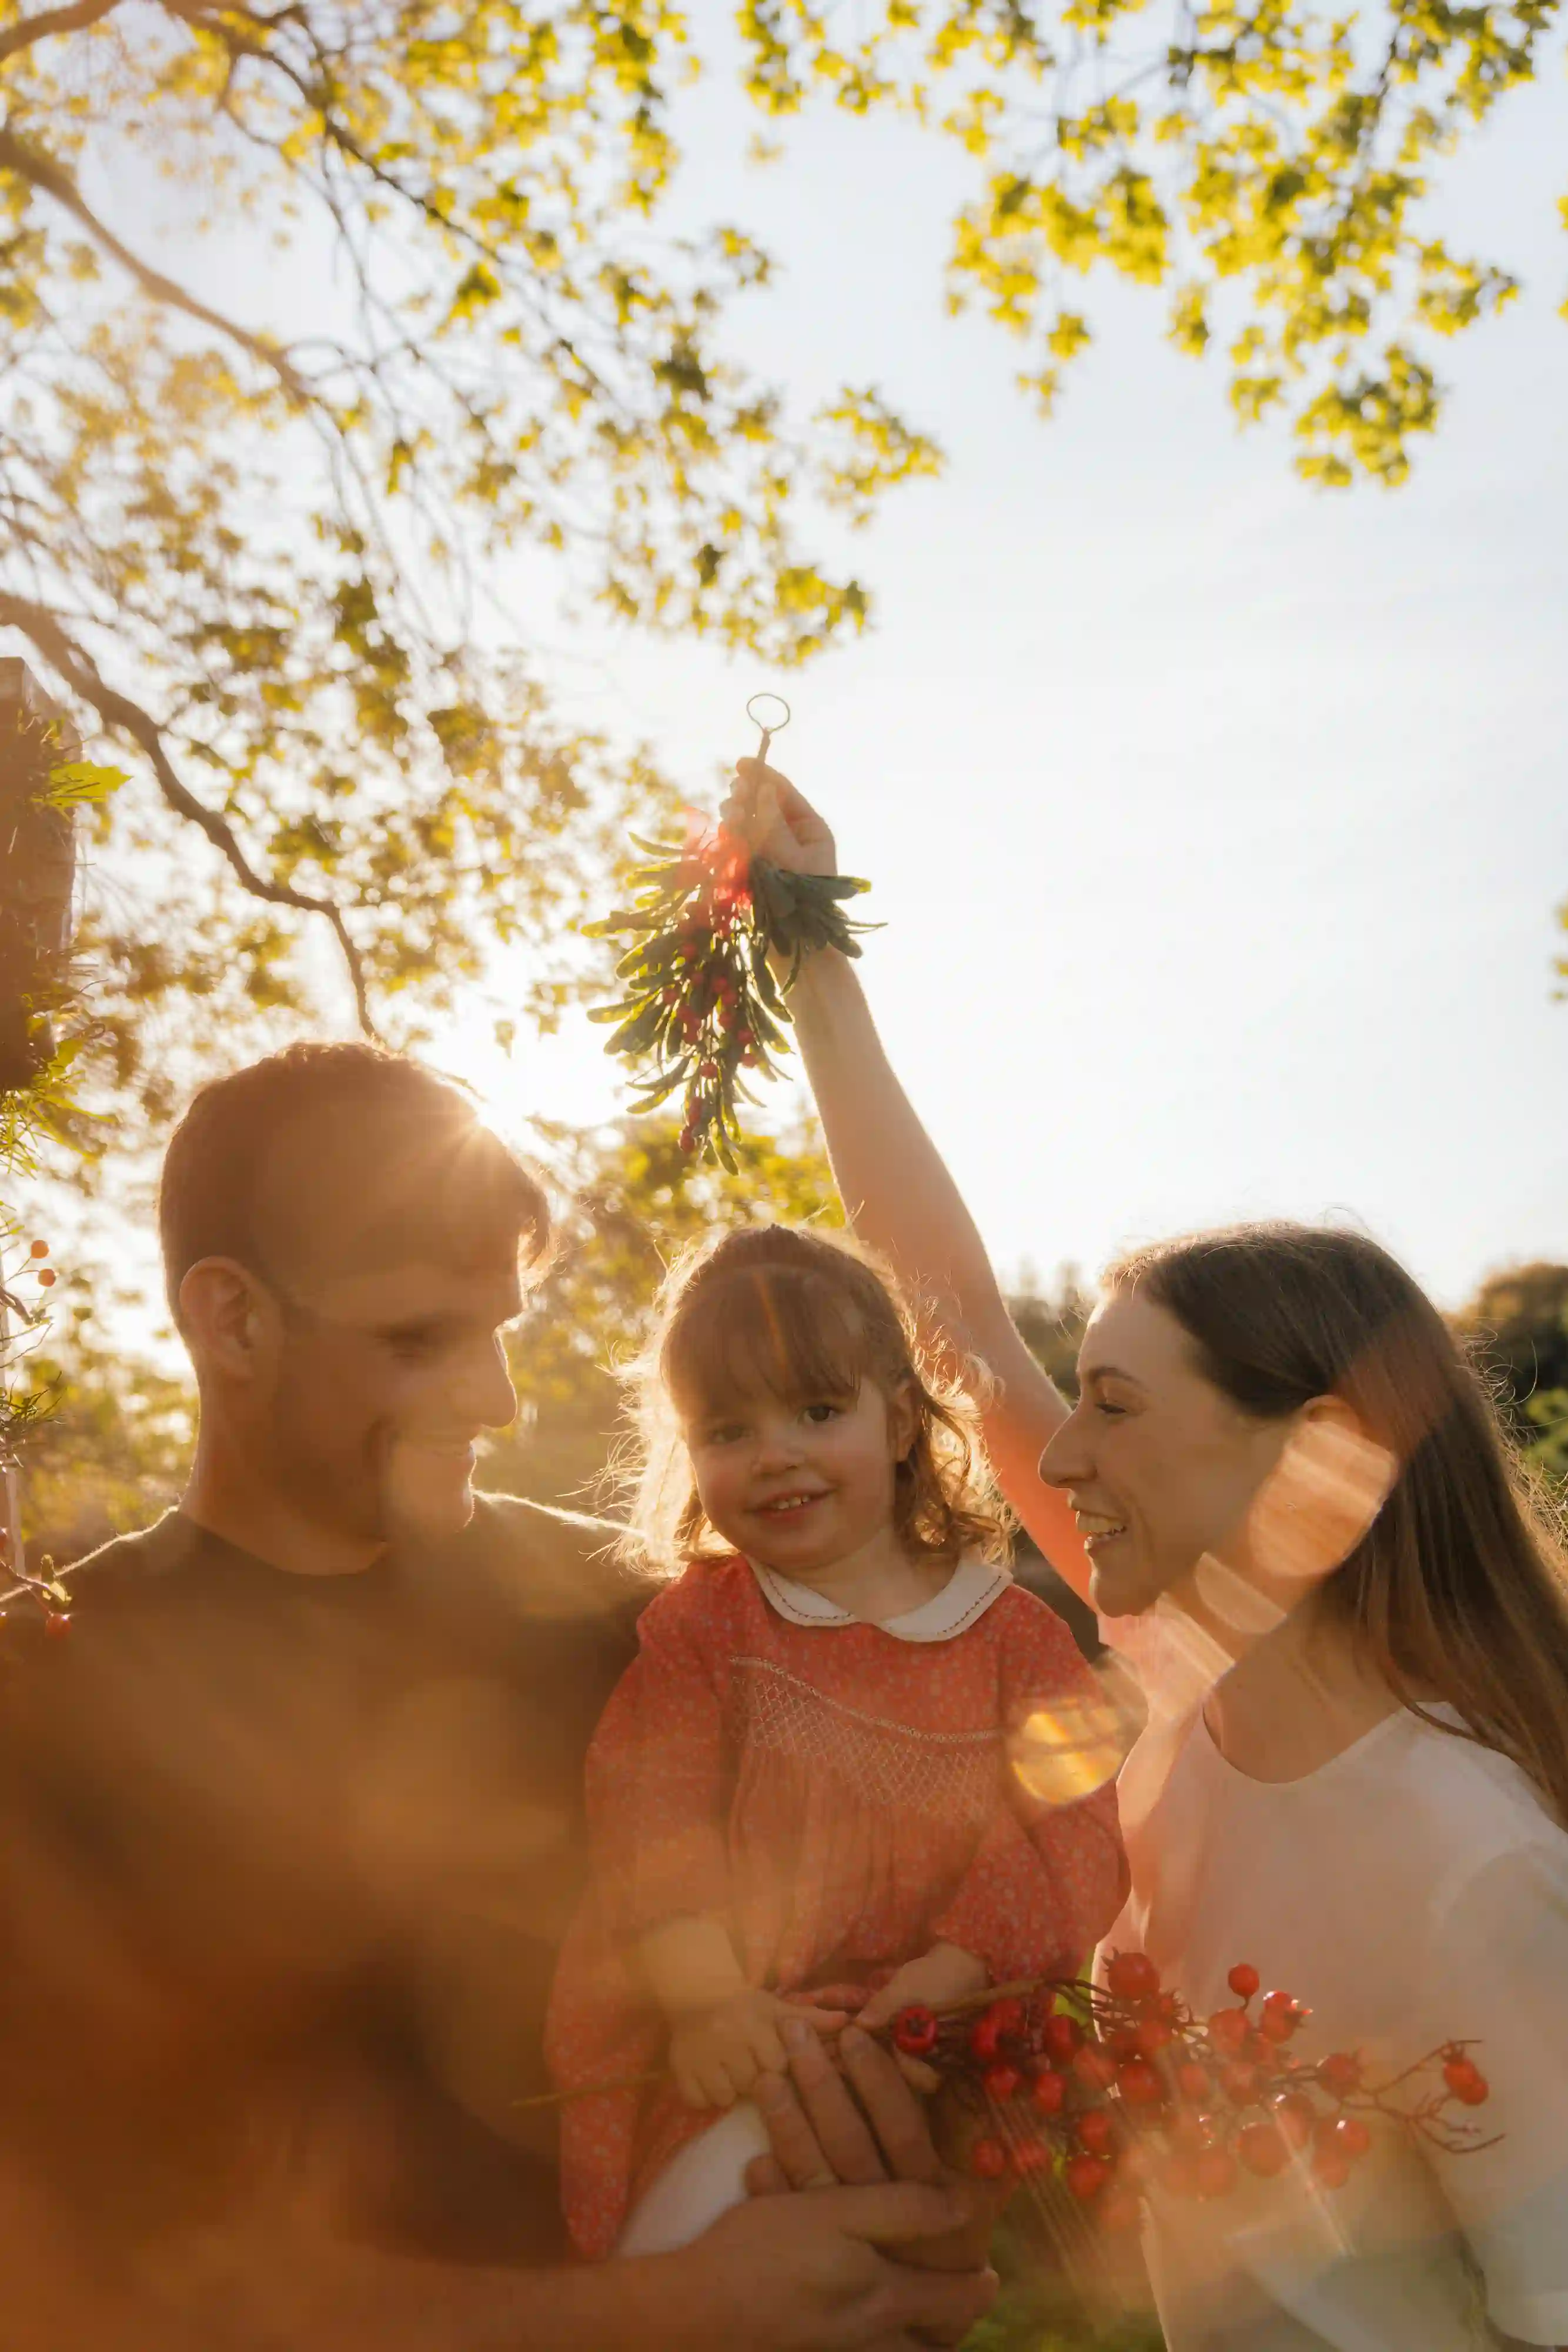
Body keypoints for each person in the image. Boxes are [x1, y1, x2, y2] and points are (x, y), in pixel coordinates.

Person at [718, 756, 1568, 2352]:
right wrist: (805, 937)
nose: (1063, 1457)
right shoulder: (1185, 1678)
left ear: (1308, 1447)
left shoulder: (1479, 1867)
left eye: (1111, 1405)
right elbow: (954, 1323)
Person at [0, 1042, 998, 2352]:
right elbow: (75, 2286)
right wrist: (663, 2313)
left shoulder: (648, 1622)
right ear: (231, 1318)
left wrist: (886, 2103)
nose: (495, 1398)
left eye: (496, 1332)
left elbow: (882, 1927)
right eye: (419, 1338)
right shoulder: (50, 1700)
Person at [545, 1222, 1125, 2259]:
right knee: (705, 2243)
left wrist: (958, 1970)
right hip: (745, 2039)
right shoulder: (709, 1625)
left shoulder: (1012, 1642)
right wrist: (710, 2002)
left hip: (937, 2044)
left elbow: (1075, 1836)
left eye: (817, 1411)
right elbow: (650, 1819)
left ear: (901, 1421)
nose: (774, 1456)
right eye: (727, 1431)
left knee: (885, 2278)